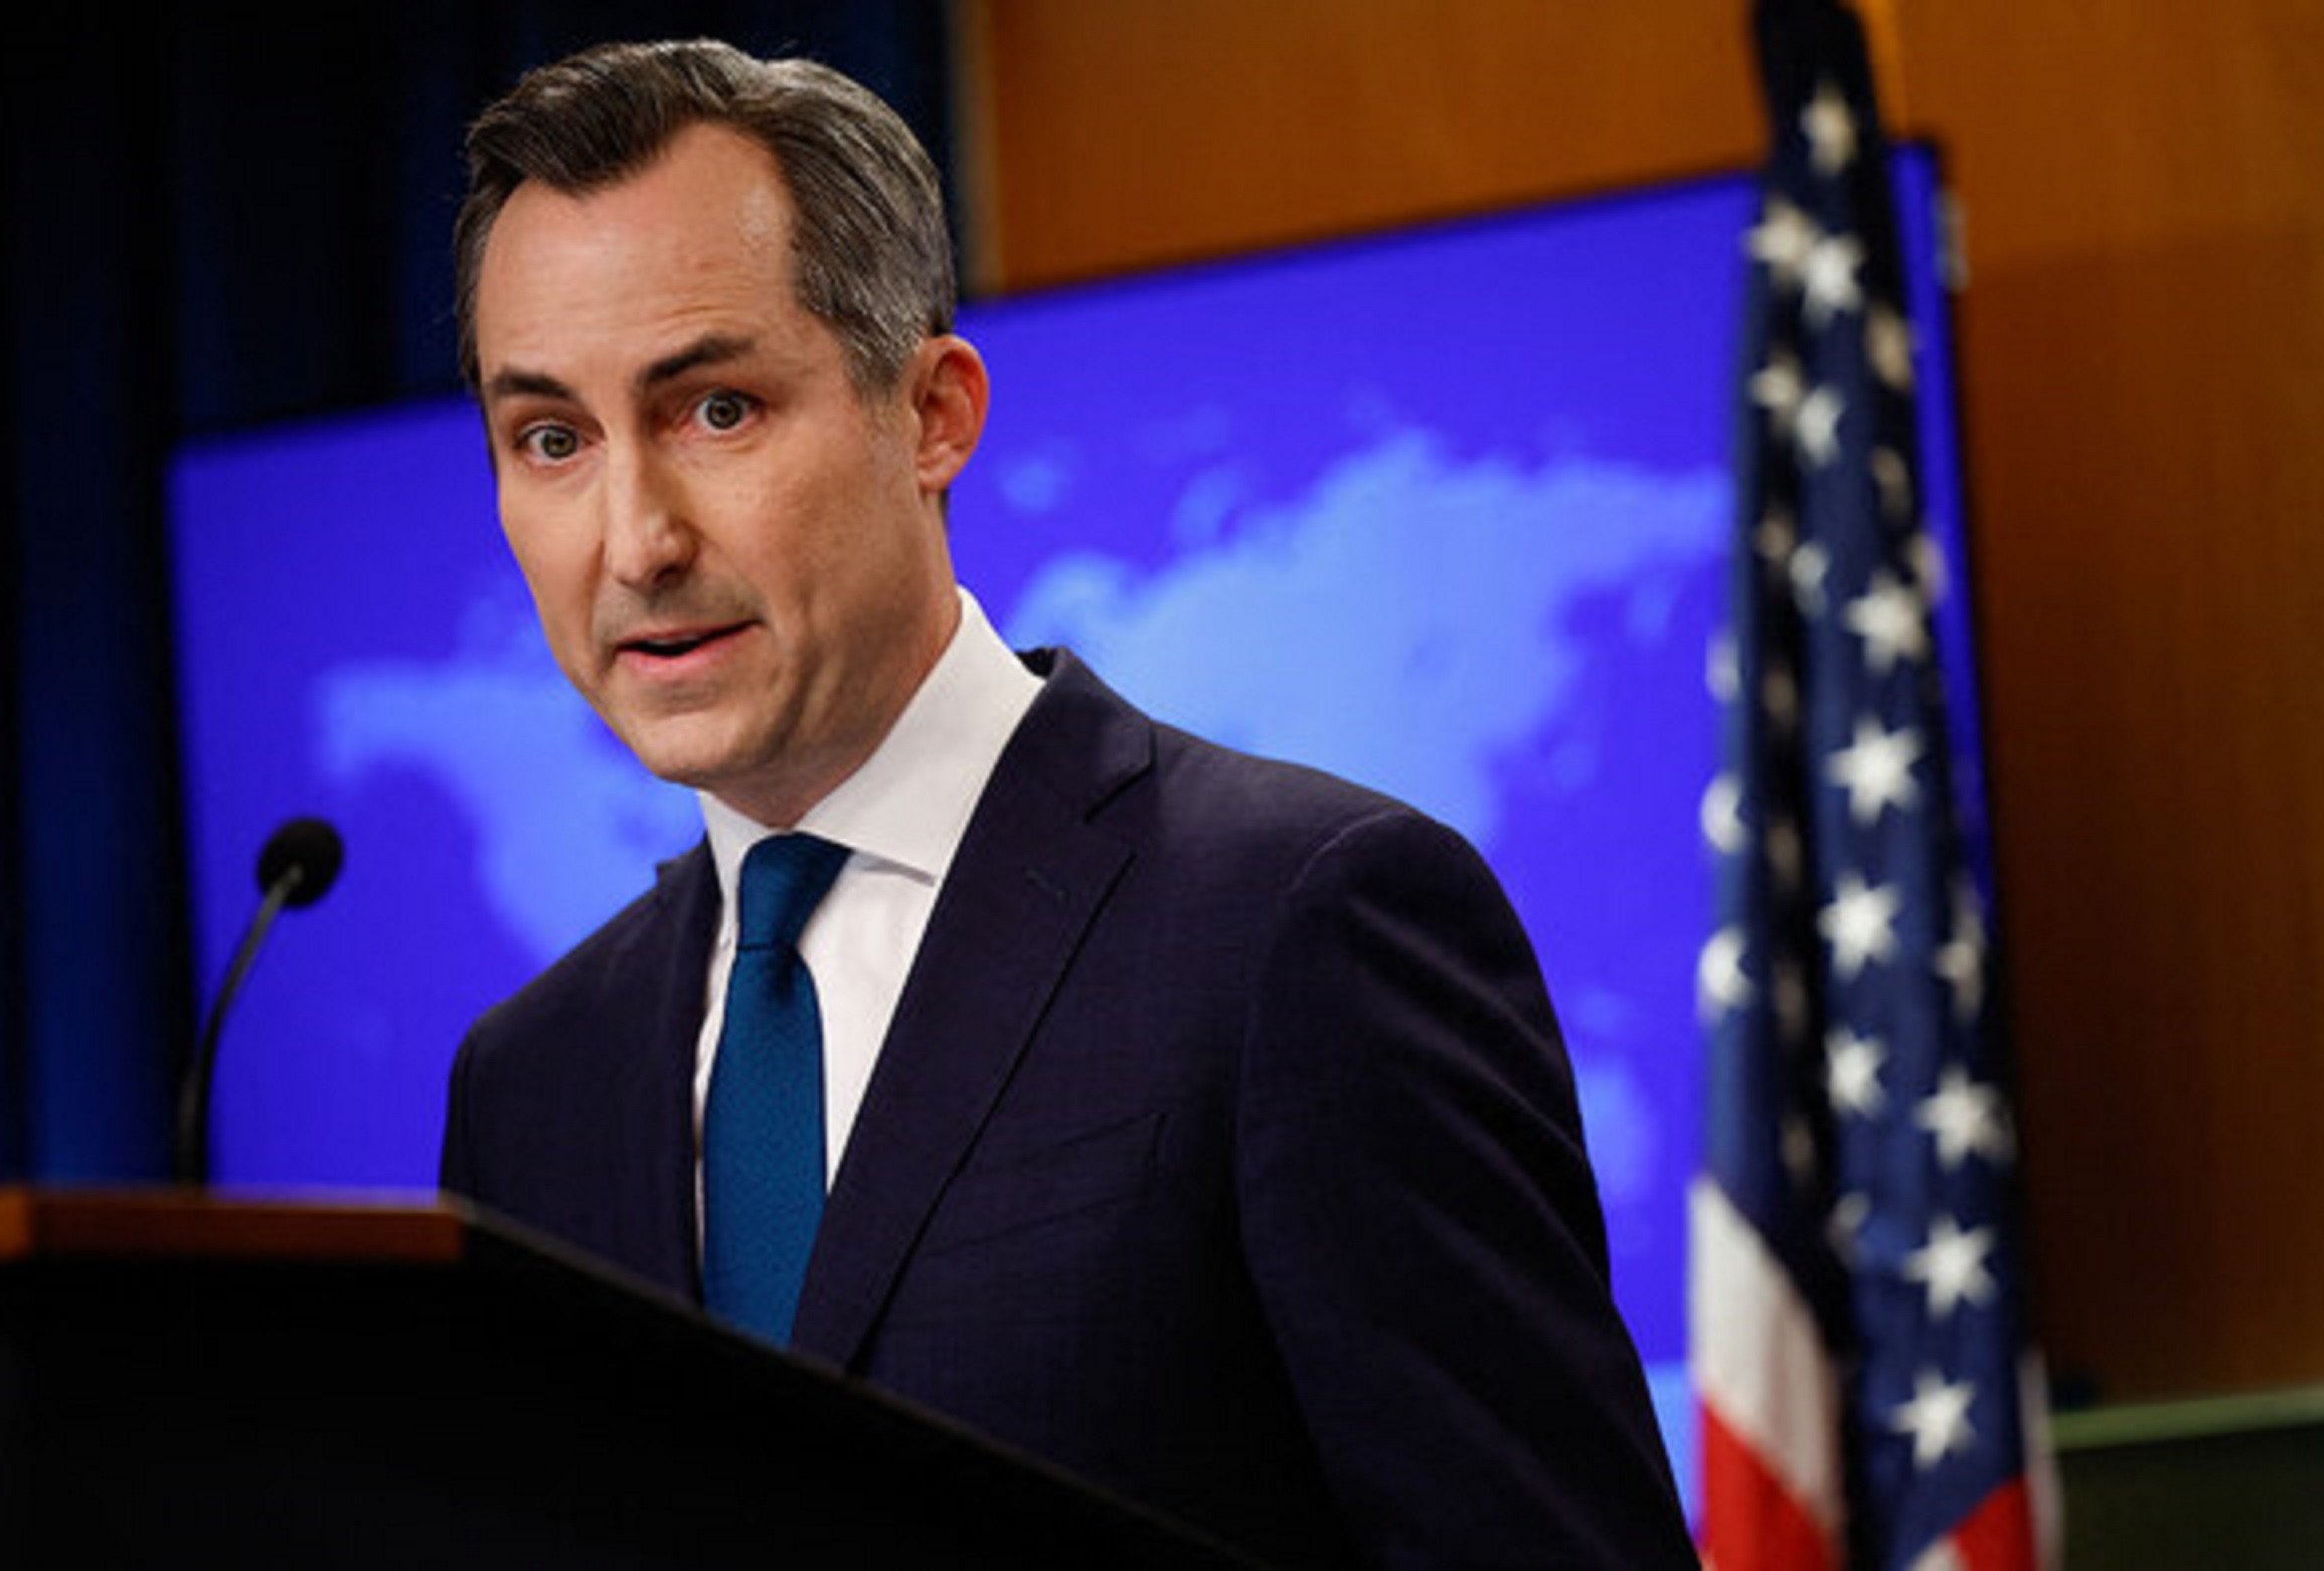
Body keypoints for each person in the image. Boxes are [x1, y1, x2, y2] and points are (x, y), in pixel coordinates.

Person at [437, 37, 1695, 1569]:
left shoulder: (1300, 925)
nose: (633, 540)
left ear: (935, 413)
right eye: (552, 440)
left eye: (716, 410)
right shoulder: (530, 1086)